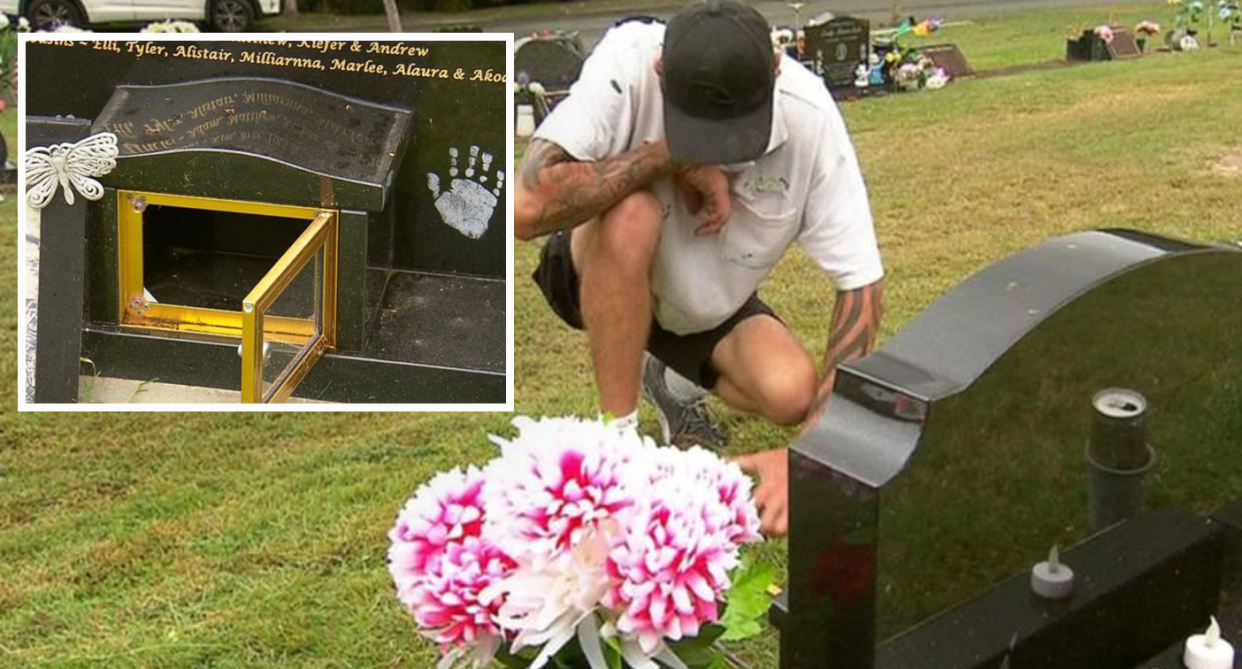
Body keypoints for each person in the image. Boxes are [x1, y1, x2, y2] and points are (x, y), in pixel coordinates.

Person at [514, 0, 885, 536]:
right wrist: (670, 156)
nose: (725, 150)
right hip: (595, 269)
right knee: (633, 214)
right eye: (703, 128)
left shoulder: (810, 116)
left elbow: (861, 286)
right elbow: (527, 209)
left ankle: (667, 376)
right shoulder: (628, 58)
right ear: (661, 71)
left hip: (704, 306)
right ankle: (616, 448)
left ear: (777, 68)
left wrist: (816, 455)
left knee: (792, 393)